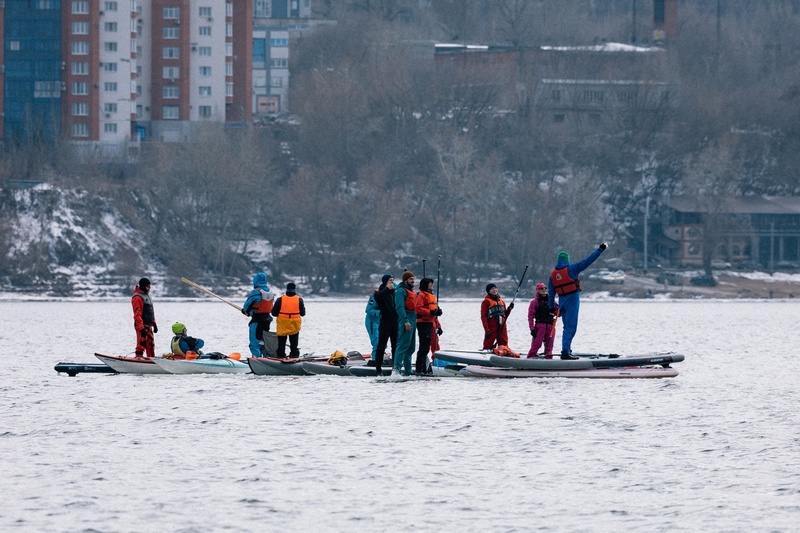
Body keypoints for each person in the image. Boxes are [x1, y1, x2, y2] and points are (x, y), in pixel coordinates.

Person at [548, 243, 608, 359]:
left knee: (566, 327)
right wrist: (600, 250)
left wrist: (551, 307)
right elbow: (588, 261)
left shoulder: (553, 275)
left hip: (562, 303)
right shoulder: (572, 269)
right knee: (571, 328)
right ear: (567, 260)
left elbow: (551, 294)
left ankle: (567, 349)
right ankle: (565, 352)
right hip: (572, 301)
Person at [242, 272, 275, 356]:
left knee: (255, 343)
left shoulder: (256, 292)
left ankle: (257, 359)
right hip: (267, 320)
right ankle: (266, 358)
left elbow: (246, 306)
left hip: (257, 320)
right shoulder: (270, 292)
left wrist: (246, 311)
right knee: (264, 342)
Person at [415, 277, 443, 375]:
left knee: (432, 345)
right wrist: (431, 312)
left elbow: (434, 315)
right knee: (424, 347)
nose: (432, 286)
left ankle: (427, 367)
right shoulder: (421, 296)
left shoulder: (431, 297)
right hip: (423, 323)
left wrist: (439, 326)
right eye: (430, 284)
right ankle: (419, 369)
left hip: (431, 323)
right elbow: (418, 309)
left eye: (432, 284)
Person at [271, 282, 306, 358]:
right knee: (294, 342)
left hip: (283, 323)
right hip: (294, 323)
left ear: (286, 290)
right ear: (295, 290)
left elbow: (274, 313)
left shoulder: (280, 299)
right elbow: (303, 313)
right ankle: (294, 355)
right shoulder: (299, 300)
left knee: (281, 342)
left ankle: (281, 355)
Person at [373, 274, 398, 375]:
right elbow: (378, 297)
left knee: (395, 346)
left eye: (392, 280)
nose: (392, 282)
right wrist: (387, 289)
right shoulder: (380, 292)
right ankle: (378, 368)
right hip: (385, 322)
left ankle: (395, 367)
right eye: (390, 280)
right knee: (381, 345)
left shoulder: (394, 293)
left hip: (394, 322)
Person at [394, 271, 417, 376]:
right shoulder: (400, 291)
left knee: (411, 347)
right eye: (411, 279)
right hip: (405, 318)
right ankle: (396, 370)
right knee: (402, 345)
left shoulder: (412, 291)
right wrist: (405, 321)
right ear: (405, 280)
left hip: (413, 318)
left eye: (413, 279)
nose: (413, 281)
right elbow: (399, 307)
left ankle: (408, 371)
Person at [527, 283, 558, 358]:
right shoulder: (534, 302)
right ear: (538, 291)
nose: (544, 290)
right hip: (540, 326)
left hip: (551, 326)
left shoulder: (551, 302)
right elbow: (530, 316)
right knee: (536, 344)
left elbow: (559, 313)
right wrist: (532, 329)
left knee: (549, 346)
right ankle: (530, 357)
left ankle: (548, 359)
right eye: (541, 289)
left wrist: (556, 310)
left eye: (545, 288)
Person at [481, 283, 514, 350]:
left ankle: (503, 353)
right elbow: (483, 316)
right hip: (491, 327)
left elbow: (505, 315)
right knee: (488, 344)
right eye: (492, 289)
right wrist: (487, 329)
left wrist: (509, 309)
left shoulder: (501, 302)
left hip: (502, 327)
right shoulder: (486, 302)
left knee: (504, 345)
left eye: (495, 288)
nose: (494, 290)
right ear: (488, 291)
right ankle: (486, 353)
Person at [132, 277, 158, 358]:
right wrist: (141, 328)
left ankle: (152, 359)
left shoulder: (147, 296)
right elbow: (137, 314)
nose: (149, 288)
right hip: (141, 325)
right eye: (147, 286)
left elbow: (150, 312)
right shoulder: (137, 297)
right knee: (141, 344)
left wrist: (154, 324)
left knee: (151, 344)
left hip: (149, 325)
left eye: (149, 286)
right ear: (143, 286)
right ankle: (138, 358)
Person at [365, 286, 381, 361]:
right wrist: (379, 313)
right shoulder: (375, 297)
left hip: (381, 322)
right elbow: (368, 310)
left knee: (382, 343)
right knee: (376, 342)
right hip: (372, 321)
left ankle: (380, 357)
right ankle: (375, 360)